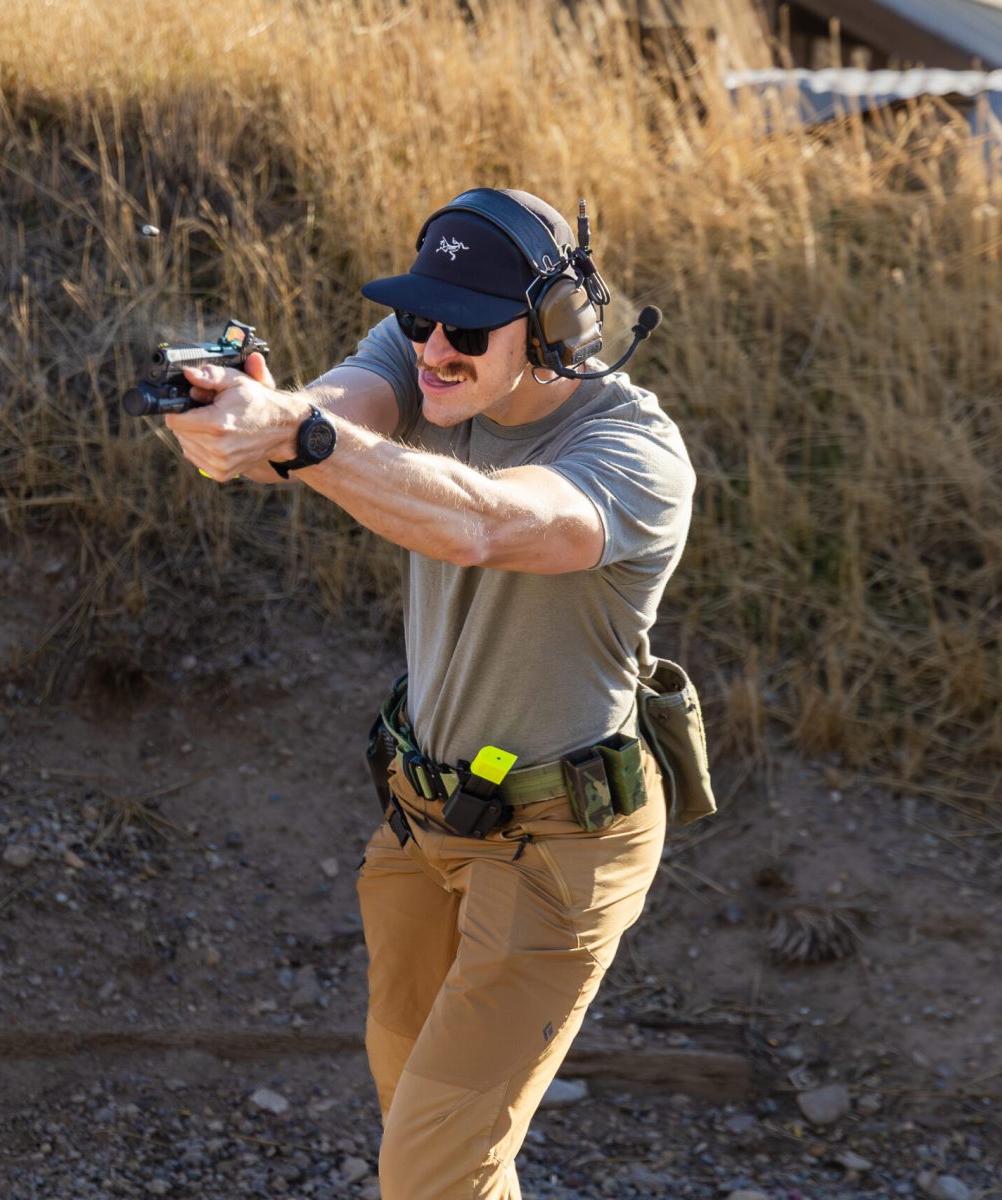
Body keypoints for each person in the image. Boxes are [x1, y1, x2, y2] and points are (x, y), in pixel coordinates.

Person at [162, 188, 697, 1199]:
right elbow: (335, 412)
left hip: (557, 849)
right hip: (428, 819)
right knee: (417, 1122)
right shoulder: (427, 351)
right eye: (420, 319)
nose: (435, 349)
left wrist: (300, 437)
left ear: (551, 332)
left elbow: (485, 523)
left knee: (431, 1172)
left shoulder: (635, 456)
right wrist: (257, 421)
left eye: (468, 331)